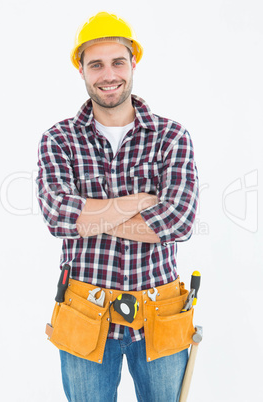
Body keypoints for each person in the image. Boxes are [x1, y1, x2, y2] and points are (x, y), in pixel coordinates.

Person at [36, 11, 199, 402]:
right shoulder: (58, 139)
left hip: (160, 313)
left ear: (133, 62)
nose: (108, 74)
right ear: (81, 70)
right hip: (83, 313)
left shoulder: (171, 136)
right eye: (96, 64)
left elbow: (179, 221)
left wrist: (91, 216)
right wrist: (142, 203)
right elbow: (59, 216)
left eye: (117, 61)